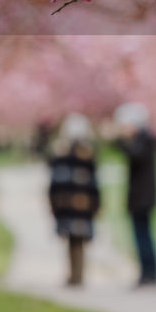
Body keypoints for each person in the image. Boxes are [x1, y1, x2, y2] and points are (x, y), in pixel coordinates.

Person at [47, 114, 100, 287]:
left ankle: (77, 275)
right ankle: (75, 274)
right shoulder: (76, 153)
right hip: (73, 203)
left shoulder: (83, 154)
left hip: (74, 203)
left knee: (75, 241)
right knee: (73, 241)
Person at [111, 102, 156, 287]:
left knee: (143, 236)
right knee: (143, 235)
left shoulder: (144, 140)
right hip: (141, 197)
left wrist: (119, 140)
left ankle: (149, 274)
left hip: (143, 198)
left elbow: (134, 155)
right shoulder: (145, 139)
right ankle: (148, 272)